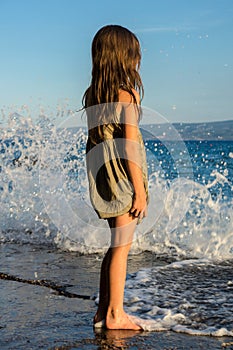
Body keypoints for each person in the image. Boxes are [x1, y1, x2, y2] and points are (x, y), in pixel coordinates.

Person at [83, 25, 148, 330]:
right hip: (123, 180)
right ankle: (114, 315)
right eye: (134, 53)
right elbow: (131, 149)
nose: (138, 59)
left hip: (105, 180)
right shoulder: (127, 95)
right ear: (124, 57)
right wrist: (139, 191)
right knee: (122, 247)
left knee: (115, 246)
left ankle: (103, 311)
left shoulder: (94, 96)